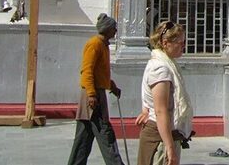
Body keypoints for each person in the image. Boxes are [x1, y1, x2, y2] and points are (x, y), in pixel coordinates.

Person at [67, 13, 124, 165]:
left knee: (83, 138)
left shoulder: (103, 45)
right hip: (92, 95)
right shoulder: (94, 44)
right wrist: (92, 95)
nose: (115, 31)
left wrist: (112, 86)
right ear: (107, 29)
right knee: (105, 133)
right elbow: (87, 71)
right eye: (114, 28)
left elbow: (101, 73)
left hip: (97, 92)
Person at [136, 21, 194, 165]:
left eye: (184, 42)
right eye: (180, 43)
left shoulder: (166, 64)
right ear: (165, 42)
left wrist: (145, 110)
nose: (183, 46)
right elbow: (161, 110)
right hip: (159, 137)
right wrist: (169, 147)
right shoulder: (160, 68)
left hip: (163, 132)